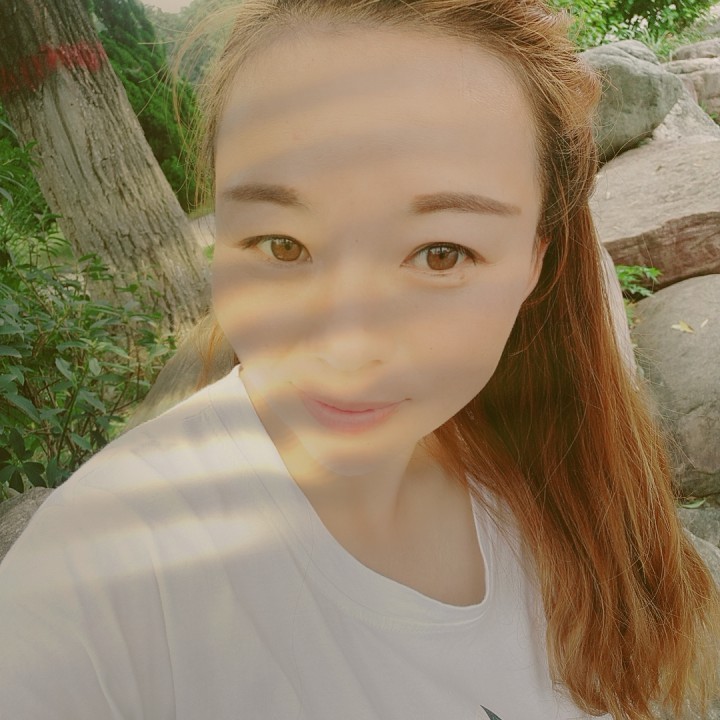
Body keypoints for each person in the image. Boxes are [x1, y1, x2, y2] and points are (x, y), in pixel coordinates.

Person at [1, 1, 718, 718]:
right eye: (282, 245)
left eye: (441, 254)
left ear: (536, 259)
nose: (345, 348)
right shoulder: (95, 581)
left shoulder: (570, 483)